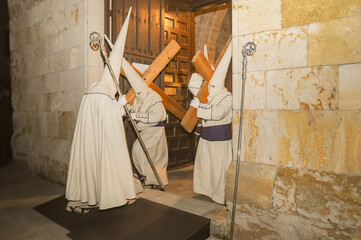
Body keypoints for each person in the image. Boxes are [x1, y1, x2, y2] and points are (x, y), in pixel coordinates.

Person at [65, 8, 137, 214]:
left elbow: (99, 112)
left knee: (87, 165)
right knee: (105, 160)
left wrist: (117, 105)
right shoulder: (105, 94)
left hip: (88, 138)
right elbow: (109, 115)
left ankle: (79, 200)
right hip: (99, 137)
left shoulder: (92, 89)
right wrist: (121, 103)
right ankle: (107, 196)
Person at [189, 41, 232, 204]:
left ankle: (219, 194)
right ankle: (205, 189)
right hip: (206, 137)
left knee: (218, 169)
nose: (211, 88)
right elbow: (193, 85)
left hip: (220, 140)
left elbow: (218, 113)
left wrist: (199, 107)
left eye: (213, 85)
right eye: (210, 84)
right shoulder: (208, 94)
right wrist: (200, 71)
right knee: (205, 167)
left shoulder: (228, 97)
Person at [122, 60, 169, 187]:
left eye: (140, 93)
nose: (139, 95)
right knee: (140, 153)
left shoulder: (154, 98)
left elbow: (157, 116)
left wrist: (136, 115)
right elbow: (135, 111)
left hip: (154, 133)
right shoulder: (139, 98)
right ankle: (149, 179)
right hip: (145, 132)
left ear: (145, 89)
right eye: (137, 93)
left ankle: (154, 179)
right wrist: (127, 108)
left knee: (146, 154)